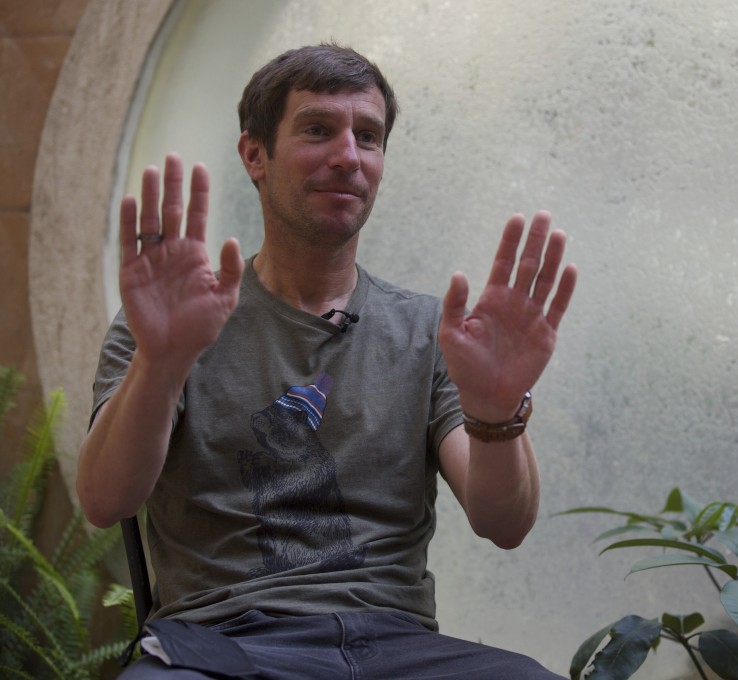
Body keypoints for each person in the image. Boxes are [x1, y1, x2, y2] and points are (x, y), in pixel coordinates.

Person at [76, 42, 577, 679]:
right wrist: (162, 362)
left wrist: (497, 413)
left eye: (368, 136)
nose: (348, 156)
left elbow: (503, 524)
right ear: (254, 154)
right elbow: (104, 500)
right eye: (317, 130)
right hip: (222, 647)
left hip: (397, 647)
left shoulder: (433, 334)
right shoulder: (173, 319)